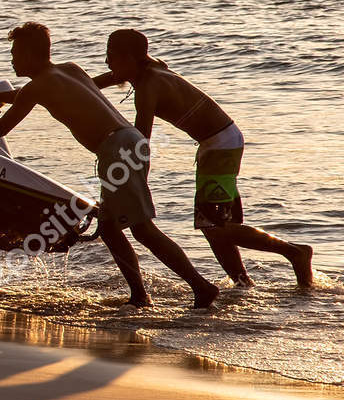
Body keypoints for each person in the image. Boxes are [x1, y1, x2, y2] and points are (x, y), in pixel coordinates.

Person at [0, 23, 219, 309]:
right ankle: (140, 297)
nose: (12, 59)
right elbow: (37, 96)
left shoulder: (37, 86)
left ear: (30, 55)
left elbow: (1, 128)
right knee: (109, 229)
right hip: (129, 141)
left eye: (16, 52)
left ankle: (200, 287)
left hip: (116, 149)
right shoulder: (70, 69)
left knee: (142, 230)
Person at [94, 29, 312, 288]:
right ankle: (243, 284)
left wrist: (133, 180)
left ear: (129, 58)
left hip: (219, 146)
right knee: (216, 226)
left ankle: (294, 252)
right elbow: (112, 76)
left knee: (215, 227)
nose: (107, 63)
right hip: (223, 141)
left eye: (111, 56)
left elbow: (141, 142)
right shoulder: (151, 68)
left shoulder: (148, 87)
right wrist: (78, 84)